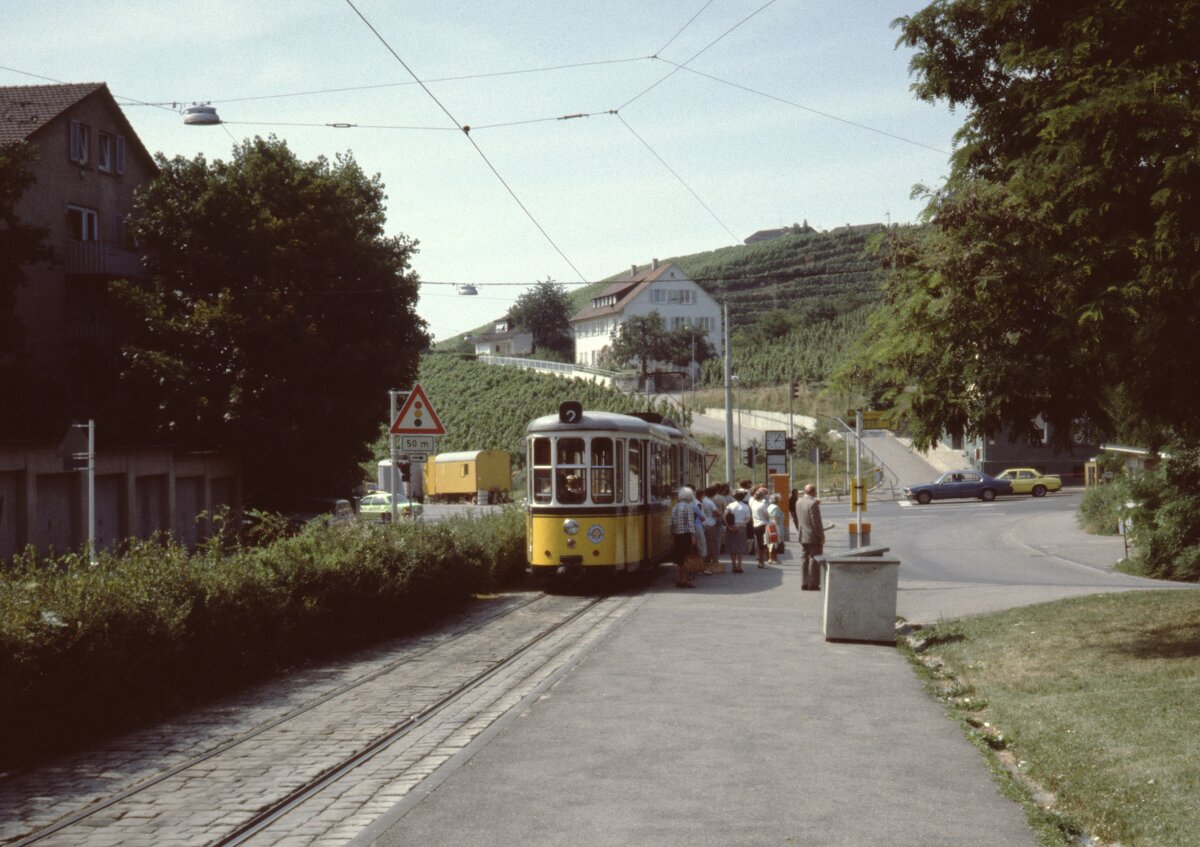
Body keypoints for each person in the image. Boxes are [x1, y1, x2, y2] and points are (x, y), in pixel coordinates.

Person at [798, 483, 826, 590]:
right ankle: (813, 584)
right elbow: (816, 523)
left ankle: (804, 582)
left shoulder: (798, 502)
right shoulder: (813, 504)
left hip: (802, 535)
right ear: (814, 492)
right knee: (814, 559)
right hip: (812, 536)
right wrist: (822, 536)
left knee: (804, 558)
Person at [670, 487, 698, 588]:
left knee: (679, 560)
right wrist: (693, 536)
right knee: (686, 559)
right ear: (689, 496)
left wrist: (672, 536)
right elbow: (691, 523)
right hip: (686, 535)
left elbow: (672, 523)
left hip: (677, 535)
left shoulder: (675, 507)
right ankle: (685, 580)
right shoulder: (689, 507)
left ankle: (679, 579)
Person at [724, 489, 751, 573]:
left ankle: (734, 566)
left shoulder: (730, 505)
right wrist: (740, 525)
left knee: (732, 548)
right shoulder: (746, 506)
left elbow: (724, 516)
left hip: (731, 527)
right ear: (743, 497)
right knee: (740, 548)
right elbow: (748, 519)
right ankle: (739, 566)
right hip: (741, 528)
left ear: (735, 497)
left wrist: (728, 525)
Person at [749, 486, 771, 568]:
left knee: (758, 543)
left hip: (755, 525)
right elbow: (767, 516)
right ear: (762, 496)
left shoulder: (753, 504)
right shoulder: (762, 505)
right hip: (763, 525)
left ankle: (760, 560)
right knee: (764, 543)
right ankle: (763, 560)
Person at [700, 486, 720, 566]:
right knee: (712, 543)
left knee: (706, 542)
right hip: (710, 523)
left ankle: (706, 558)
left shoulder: (703, 500)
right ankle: (713, 559)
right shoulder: (710, 502)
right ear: (714, 493)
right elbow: (718, 512)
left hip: (703, 523)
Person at [765, 493, 785, 564]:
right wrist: (776, 530)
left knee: (770, 543)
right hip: (776, 527)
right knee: (774, 543)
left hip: (770, 526)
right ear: (778, 500)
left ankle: (772, 558)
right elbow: (775, 518)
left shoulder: (769, 506)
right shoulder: (775, 508)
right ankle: (773, 558)